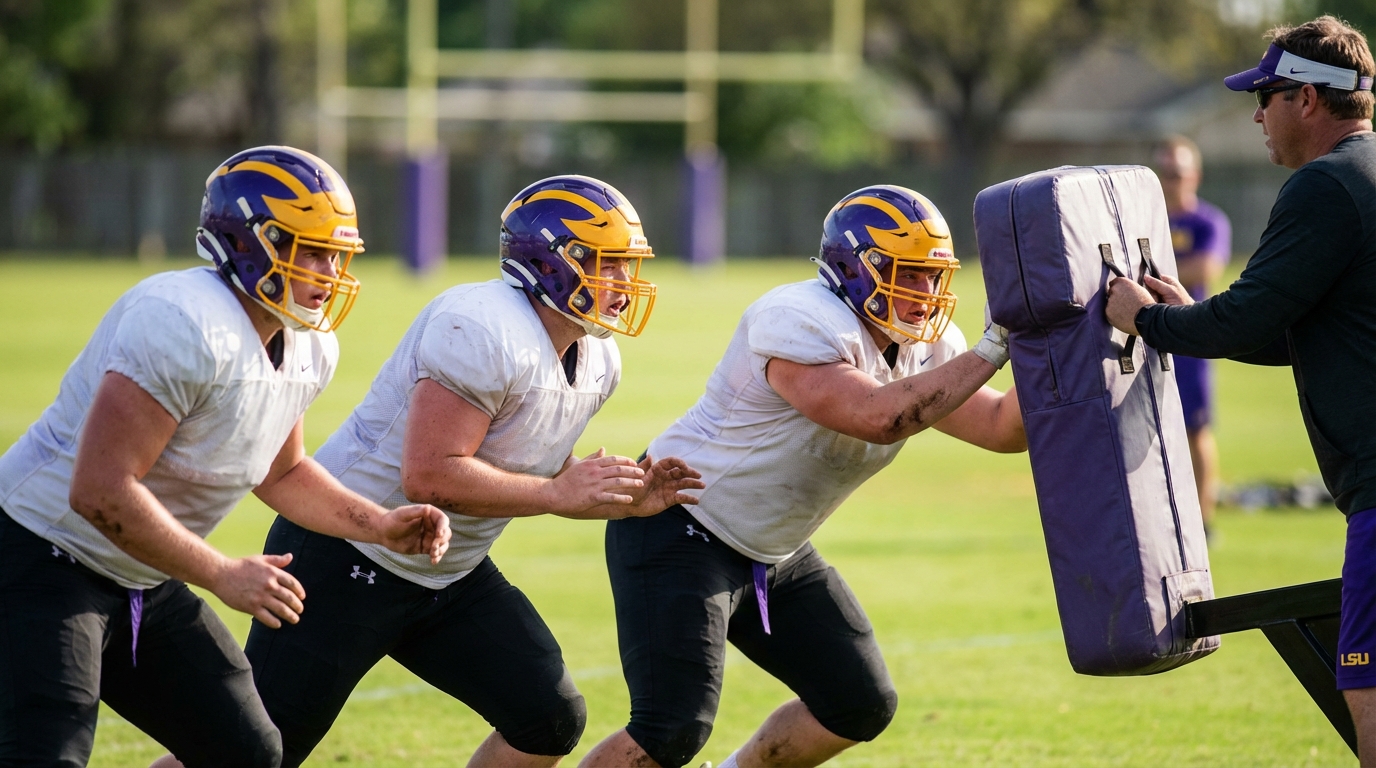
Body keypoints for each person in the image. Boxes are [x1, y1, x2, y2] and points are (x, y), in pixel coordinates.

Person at [0, 146, 451, 767]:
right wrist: (220, 572)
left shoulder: (307, 346)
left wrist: (378, 524)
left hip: (139, 574)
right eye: (310, 249)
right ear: (250, 242)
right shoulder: (182, 321)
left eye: (334, 252)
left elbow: (281, 469)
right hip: (42, 555)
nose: (329, 270)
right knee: (44, 755)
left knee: (247, 750)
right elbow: (100, 489)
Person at [245, 174, 705, 768]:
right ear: (552, 261)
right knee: (251, 754)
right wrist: (556, 493)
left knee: (548, 717)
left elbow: (530, 459)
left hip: (446, 573)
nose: (624, 283)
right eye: (608, 264)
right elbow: (431, 477)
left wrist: (619, 497)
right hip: (346, 554)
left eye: (626, 266)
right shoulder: (481, 325)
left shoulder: (598, 357)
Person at [579, 186, 1025, 768]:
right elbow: (879, 417)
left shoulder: (928, 344)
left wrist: (1066, 349)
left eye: (931, 275)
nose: (924, 293)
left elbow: (999, 427)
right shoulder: (798, 317)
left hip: (771, 550)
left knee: (857, 703)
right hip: (682, 527)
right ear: (853, 268)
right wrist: (994, 347)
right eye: (906, 273)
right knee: (670, 729)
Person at [1104, 17, 1376, 765]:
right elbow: (1298, 334)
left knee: (1370, 687)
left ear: (1308, 101)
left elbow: (1248, 315)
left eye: (1266, 96)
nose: (1257, 114)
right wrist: (1185, 319)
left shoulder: (1327, 184)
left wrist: (1145, 317)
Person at [1154, 135, 1232, 539]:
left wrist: (1155, 271)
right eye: (1164, 174)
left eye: (1177, 173)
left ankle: (1203, 519)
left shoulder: (1208, 221)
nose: (1171, 182)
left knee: (1196, 429)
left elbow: (1207, 268)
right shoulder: (1145, 220)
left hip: (1190, 338)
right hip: (1147, 337)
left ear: (1194, 175)